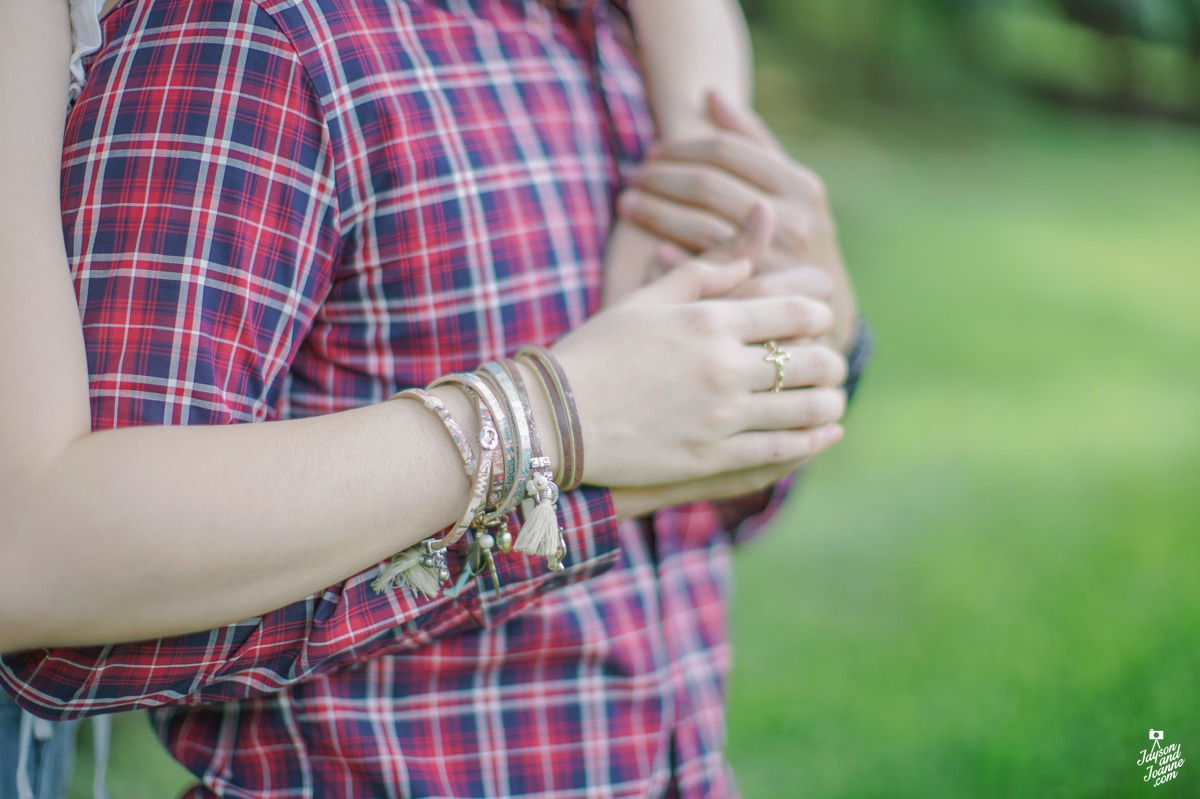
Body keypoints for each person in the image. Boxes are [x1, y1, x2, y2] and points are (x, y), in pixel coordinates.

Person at [0, 0, 866, 796]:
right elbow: (74, 621)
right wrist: (550, 439)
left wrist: (816, 339)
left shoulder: (642, 43)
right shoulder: (263, 40)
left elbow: (695, 502)